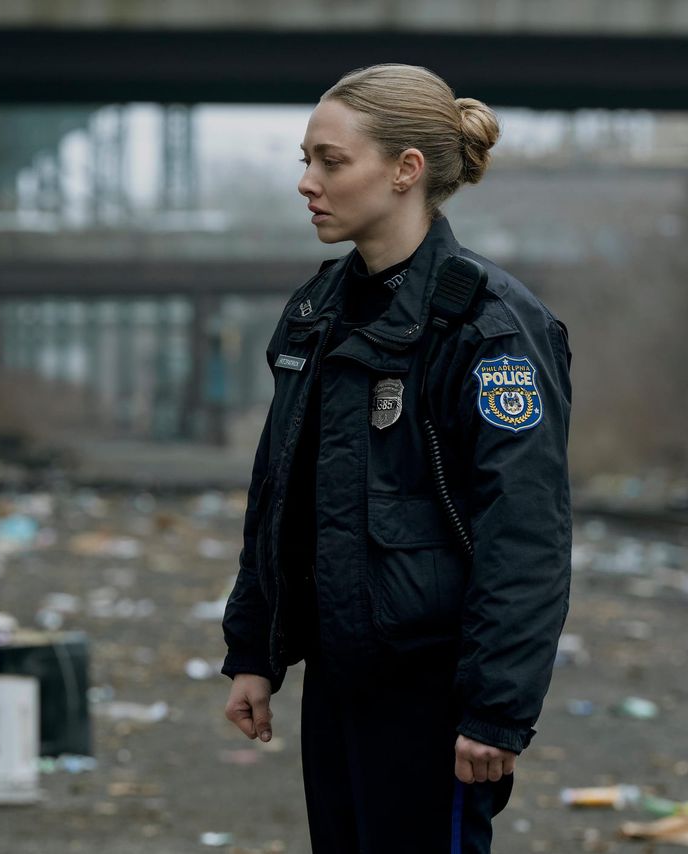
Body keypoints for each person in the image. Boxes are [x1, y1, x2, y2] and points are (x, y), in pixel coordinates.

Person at [220, 64, 573, 853]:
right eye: (304, 160)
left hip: (434, 695)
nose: (306, 182)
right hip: (340, 684)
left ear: (406, 170)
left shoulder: (490, 329)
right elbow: (279, 493)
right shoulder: (316, 315)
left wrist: (495, 710)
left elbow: (526, 536)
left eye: (331, 161)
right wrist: (255, 649)